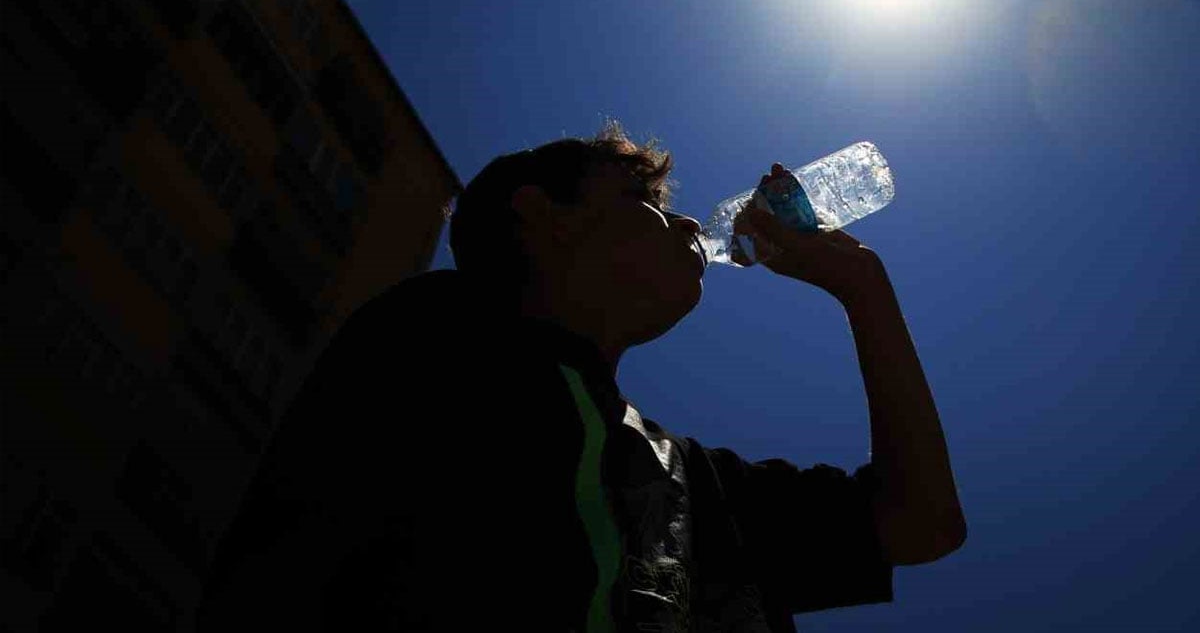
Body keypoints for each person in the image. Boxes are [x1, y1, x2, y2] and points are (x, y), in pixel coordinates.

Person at [196, 122, 966, 632]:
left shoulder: (684, 481)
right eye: (646, 201)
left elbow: (921, 521)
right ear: (545, 216)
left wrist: (863, 285)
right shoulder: (443, 337)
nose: (695, 225)